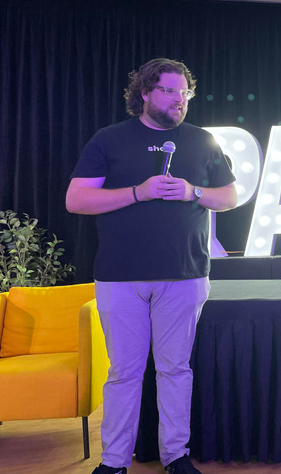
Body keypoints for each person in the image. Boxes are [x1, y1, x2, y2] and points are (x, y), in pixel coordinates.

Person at [66, 58, 237, 474]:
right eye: (169, 91)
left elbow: (229, 197)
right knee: (124, 373)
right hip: (119, 277)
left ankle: (175, 456)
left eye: (185, 92)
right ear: (144, 93)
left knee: (175, 370)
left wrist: (193, 191)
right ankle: (113, 463)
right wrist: (137, 193)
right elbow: (77, 200)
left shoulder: (202, 140)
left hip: (185, 275)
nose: (179, 100)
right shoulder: (109, 139)